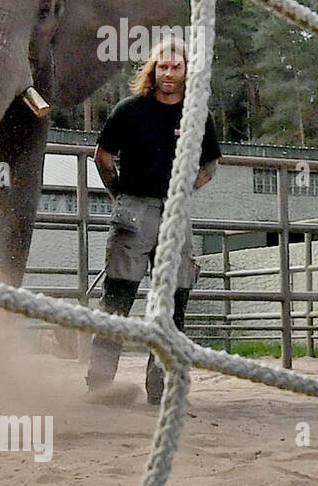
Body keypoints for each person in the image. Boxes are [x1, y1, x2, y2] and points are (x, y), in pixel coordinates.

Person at [86, 35, 222, 405]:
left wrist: (182, 192)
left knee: (174, 302)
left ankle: (159, 391)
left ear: (186, 72)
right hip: (134, 211)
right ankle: (99, 387)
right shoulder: (129, 110)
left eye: (176, 66)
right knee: (117, 299)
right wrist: (122, 197)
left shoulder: (198, 114)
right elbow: (102, 156)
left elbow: (209, 165)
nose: (169, 72)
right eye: (163, 65)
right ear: (153, 70)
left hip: (175, 213)